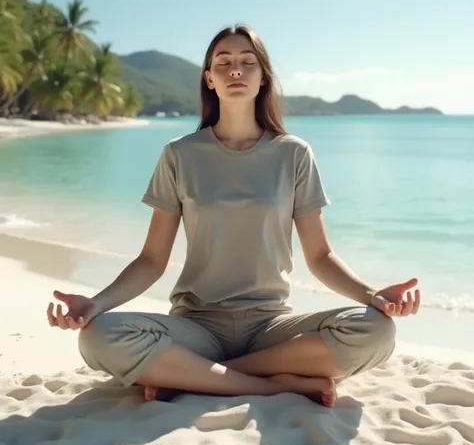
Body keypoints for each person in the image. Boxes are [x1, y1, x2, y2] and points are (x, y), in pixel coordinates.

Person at [47, 25, 420, 407]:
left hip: (271, 326)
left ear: (263, 78)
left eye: (247, 62)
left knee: (376, 331)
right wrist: (98, 304)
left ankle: (199, 374)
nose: (235, 70)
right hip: (195, 326)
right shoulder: (179, 154)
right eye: (223, 63)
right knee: (96, 336)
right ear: (209, 79)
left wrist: (373, 295)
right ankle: (270, 384)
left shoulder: (294, 154)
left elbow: (320, 257)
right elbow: (152, 260)